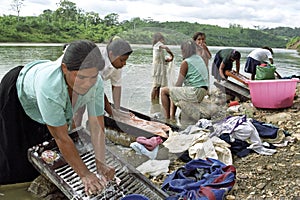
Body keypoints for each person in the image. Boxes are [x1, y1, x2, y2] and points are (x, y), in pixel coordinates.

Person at [0, 40, 115, 196]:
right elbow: (61, 137)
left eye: (93, 77)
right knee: (15, 154)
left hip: (45, 91)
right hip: (17, 93)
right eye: (81, 77)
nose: (88, 84)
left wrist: (101, 162)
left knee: (47, 147)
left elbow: (97, 126)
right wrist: (85, 174)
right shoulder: (50, 87)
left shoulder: (96, 83)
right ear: (64, 68)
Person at [160, 40, 209, 120]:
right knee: (174, 91)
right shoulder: (199, 58)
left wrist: (173, 89)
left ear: (185, 50)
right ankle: (172, 116)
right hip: (202, 92)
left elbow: (178, 85)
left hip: (195, 92)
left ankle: (168, 118)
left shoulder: (186, 62)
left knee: (164, 91)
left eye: (182, 50)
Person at [151, 32, 174, 105]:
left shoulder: (157, 46)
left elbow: (160, 58)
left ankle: (156, 102)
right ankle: (153, 103)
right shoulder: (158, 44)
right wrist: (172, 55)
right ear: (159, 39)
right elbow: (166, 48)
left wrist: (166, 60)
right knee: (155, 86)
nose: (163, 41)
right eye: (162, 39)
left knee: (158, 86)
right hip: (158, 69)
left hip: (159, 67)